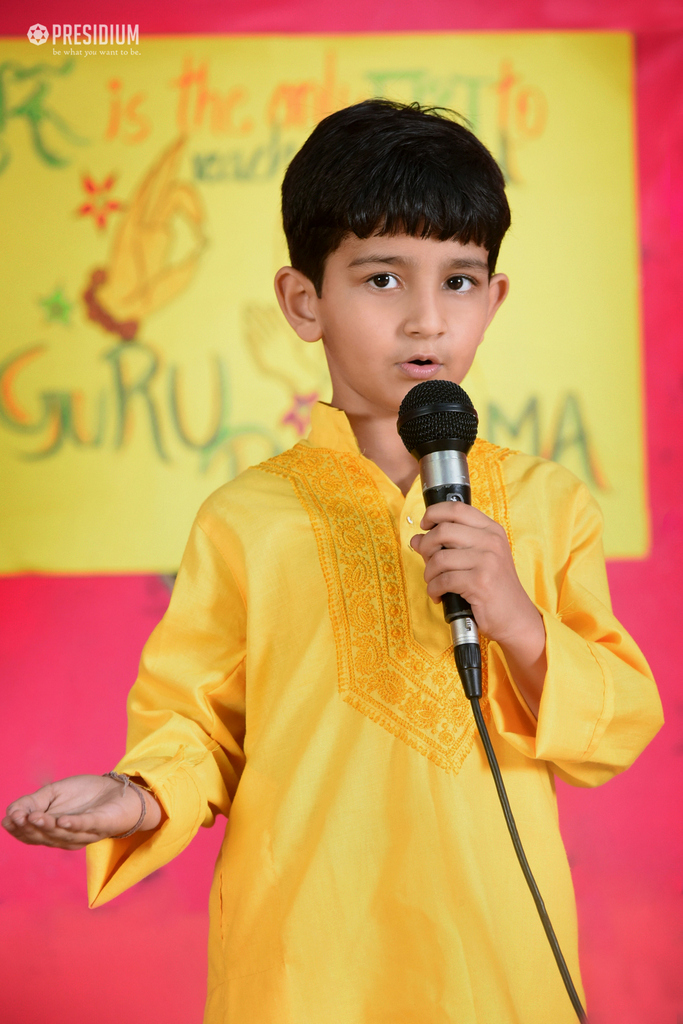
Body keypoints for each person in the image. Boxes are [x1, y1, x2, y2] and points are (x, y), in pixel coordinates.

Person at [3, 100, 663, 1023]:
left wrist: (514, 616)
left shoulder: (547, 506)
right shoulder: (246, 519)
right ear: (303, 300)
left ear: (495, 298)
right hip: (303, 969)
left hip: (495, 963)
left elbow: (620, 722)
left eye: (461, 282)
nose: (427, 319)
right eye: (383, 279)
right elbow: (200, 729)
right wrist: (136, 794)